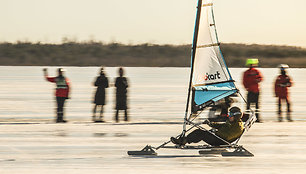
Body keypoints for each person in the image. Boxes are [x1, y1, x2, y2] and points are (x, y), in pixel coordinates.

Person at [171, 106, 244, 146]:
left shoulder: (237, 127)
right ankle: (183, 140)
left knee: (200, 133)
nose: (229, 116)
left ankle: (183, 141)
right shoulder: (233, 122)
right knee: (200, 132)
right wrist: (211, 124)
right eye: (229, 114)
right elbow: (223, 126)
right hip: (218, 138)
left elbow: (228, 136)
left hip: (220, 141)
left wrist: (215, 133)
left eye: (230, 115)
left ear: (236, 116)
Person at [242, 58, 263, 122]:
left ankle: (257, 118)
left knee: (256, 105)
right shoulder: (246, 72)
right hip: (250, 90)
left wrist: (257, 80)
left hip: (256, 90)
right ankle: (247, 117)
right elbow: (244, 81)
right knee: (248, 105)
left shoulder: (256, 71)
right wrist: (247, 87)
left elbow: (261, 78)